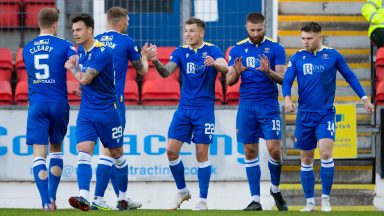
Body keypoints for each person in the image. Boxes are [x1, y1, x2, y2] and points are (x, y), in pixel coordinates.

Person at [282, 22, 375, 212]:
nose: (305, 42)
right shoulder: (298, 57)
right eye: (303, 38)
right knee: (306, 160)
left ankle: (325, 199)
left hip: (325, 114)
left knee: (325, 154)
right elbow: (288, 79)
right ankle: (309, 202)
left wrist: (365, 99)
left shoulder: (332, 55)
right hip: (304, 116)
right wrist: (287, 98)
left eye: (309, 38)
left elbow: (350, 76)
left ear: (319, 37)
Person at [145, 17, 228, 210]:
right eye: (186, 31)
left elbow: (226, 67)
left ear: (201, 33)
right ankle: (182, 191)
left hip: (204, 109)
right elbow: (166, 72)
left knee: (201, 153)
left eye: (192, 31)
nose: (188, 34)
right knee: (171, 151)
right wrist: (155, 59)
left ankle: (203, 201)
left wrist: (214, 64)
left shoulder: (212, 50)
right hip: (184, 109)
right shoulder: (180, 52)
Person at [226, 12, 288, 211]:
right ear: (246, 28)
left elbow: (284, 79)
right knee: (250, 151)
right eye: (252, 30)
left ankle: (275, 189)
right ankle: (255, 200)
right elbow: (229, 81)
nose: (255, 33)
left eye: (259, 30)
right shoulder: (237, 49)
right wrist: (237, 72)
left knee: (274, 150)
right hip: (247, 105)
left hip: (269, 105)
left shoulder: (276, 48)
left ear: (265, 27)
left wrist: (268, 71)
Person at [65, 13, 127, 212]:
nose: (75, 33)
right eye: (73, 30)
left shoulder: (102, 51)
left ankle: (123, 198)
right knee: (84, 150)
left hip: (108, 110)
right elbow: (86, 83)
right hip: (87, 112)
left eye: (79, 29)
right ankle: (84, 196)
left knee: (117, 154)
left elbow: (85, 78)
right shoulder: (81, 52)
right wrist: (82, 89)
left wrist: (73, 69)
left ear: (90, 30)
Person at [94, 6, 151, 211]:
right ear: (119, 22)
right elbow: (142, 71)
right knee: (112, 151)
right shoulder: (126, 41)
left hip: (95, 102)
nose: (128, 23)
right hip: (115, 102)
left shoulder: (95, 40)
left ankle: (120, 198)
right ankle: (100, 199)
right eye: (127, 20)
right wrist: (145, 55)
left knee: (109, 150)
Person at [23, 7, 77, 211]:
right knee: (56, 148)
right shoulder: (65, 46)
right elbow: (75, 62)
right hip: (58, 102)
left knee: (39, 155)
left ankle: (45, 201)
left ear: (39, 23)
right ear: (55, 24)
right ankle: (53, 198)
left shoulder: (27, 48)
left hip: (36, 103)